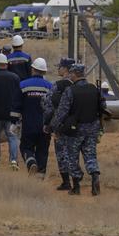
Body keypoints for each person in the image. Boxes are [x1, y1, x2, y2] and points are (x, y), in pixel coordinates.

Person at [52, 61, 108, 195]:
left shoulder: (70, 91)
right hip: (92, 127)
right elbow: (103, 107)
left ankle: (76, 187)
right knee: (90, 155)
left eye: (71, 73)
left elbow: (62, 112)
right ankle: (95, 179)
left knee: (73, 157)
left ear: (75, 74)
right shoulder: (94, 88)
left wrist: (55, 127)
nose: (70, 75)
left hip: (75, 129)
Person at [43, 57, 76, 191]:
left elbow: (48, 105)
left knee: (61, 153)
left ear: (66, 69)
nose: (58, 69)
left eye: (60, 67)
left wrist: (48, 123)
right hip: (75, 124)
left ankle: (66, 181)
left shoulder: (57, 85)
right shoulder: (78, 85)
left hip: (59, 124)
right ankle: (76, 182)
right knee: (73, 152)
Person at [18, 57, 53, 175]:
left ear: (33, 69)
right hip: (45, 126)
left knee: (25, 147)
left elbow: (16, 104)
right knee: (43, 151)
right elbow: (54, 107)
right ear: (44, 71)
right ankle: (40, 176)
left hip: (28, 124)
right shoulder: (50, 87)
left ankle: (30, 161)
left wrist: (14, 122)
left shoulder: (23, 85)